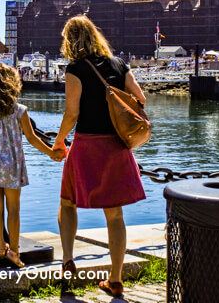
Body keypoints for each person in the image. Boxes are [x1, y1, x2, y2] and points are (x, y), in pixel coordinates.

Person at [51, 15, 147, 298]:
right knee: (115, 215)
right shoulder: (119, 64)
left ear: (70, 40)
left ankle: (68, 261)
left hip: (88, 145)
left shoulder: (75, 69)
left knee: (68, 202)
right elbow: (141, 98)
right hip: (117, 146)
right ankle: (115, 280)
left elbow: (72, 113)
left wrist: (58, 140)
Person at [0, 63, 64, 268]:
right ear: (12, 83)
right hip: (11, 165)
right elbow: (31, 138)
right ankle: (14, 251)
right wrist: (51, 153)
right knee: (13, 209)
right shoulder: (19, 111)